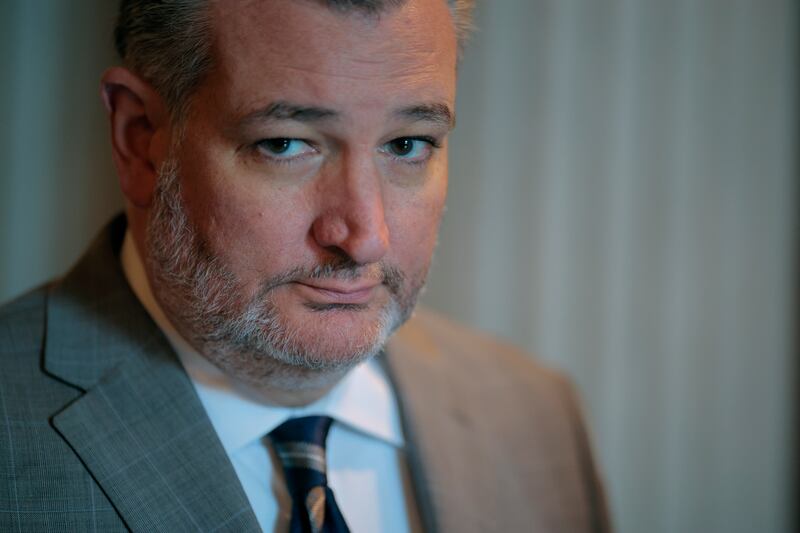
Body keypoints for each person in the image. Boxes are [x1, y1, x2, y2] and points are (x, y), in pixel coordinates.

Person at [0, 0, 610, 531]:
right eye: (286, 144)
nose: (365, 237)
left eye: (407, 144)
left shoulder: (537, 418)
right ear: (141, 139)